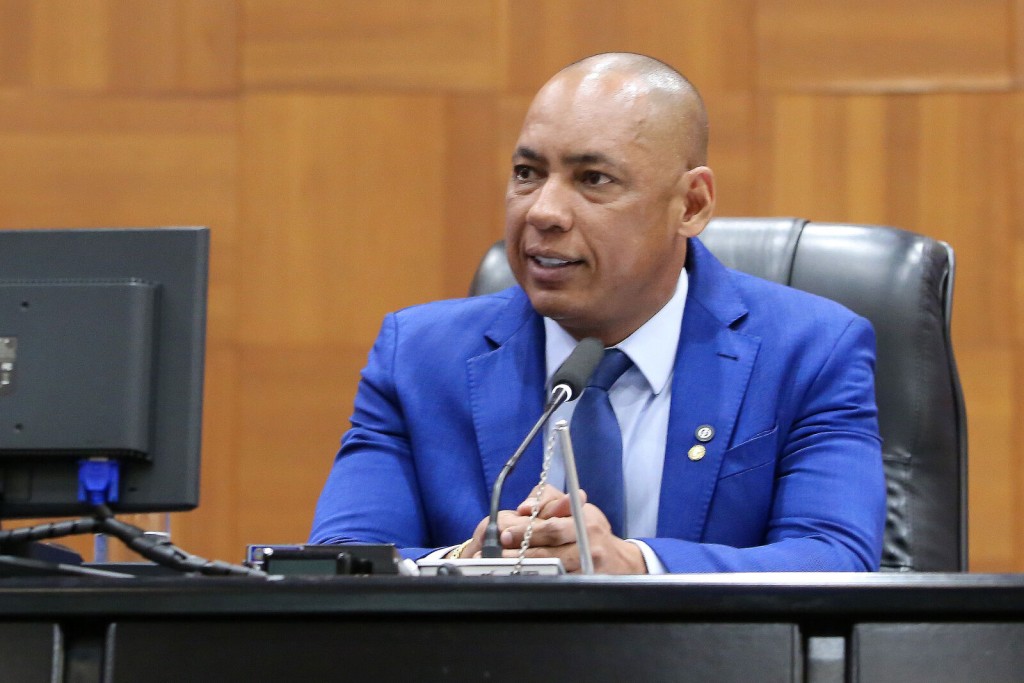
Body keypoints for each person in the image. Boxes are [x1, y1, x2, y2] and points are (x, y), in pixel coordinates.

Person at [310, 53, 886, 574]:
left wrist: (636, 566)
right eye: (527, 173)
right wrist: (465, 564)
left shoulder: (811, 350)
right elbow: (337, 565)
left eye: (593, 180)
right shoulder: (416, 356)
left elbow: (834, 557)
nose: (543, 211)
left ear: (691, 204)